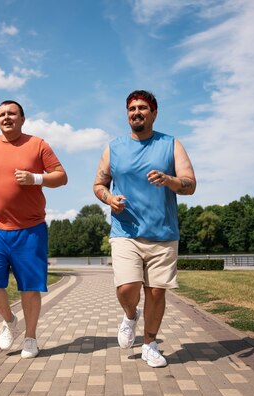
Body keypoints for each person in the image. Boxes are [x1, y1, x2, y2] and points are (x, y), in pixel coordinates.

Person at [93, 90, 196, 367]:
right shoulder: (113, 147)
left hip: (163, 232)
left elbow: (190, 184)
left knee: (156, 292)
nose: (136, 112)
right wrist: (109, 198)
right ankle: (129, 315)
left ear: (154, 113)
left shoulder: (171, 144)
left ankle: (150, 343)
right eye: (131, 109)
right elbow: (99, 185)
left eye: (142, 108)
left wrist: (169, 180)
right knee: (128, 287)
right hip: (125, 230)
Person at [0, 100, 68, 359]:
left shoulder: (38, 144)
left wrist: (35, 178)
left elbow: (61, 176)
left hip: (30, 229)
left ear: (22, 118)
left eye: (12, 113)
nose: (7, 118)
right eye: (2, 114)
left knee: (30, 287)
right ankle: (9, 320)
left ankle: (30, 337)